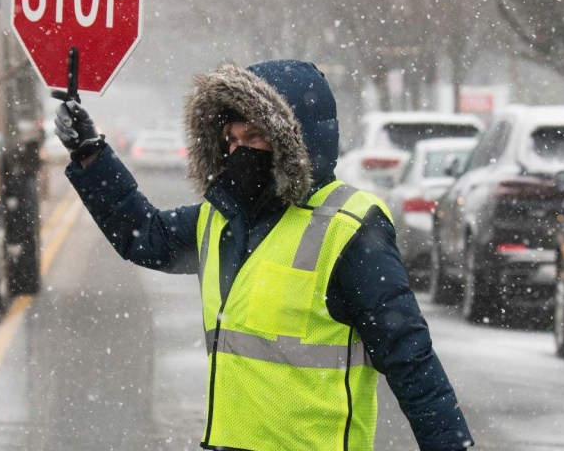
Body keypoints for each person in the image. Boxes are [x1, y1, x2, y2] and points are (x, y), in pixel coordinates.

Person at [53, 60, 473, 450]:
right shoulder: (221, 220)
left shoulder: (349, 228)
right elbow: (144, 234)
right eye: (233, 140)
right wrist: (91, 155)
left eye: (255, 137)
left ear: (295, 140)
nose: (241, 151)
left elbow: (409, 355)